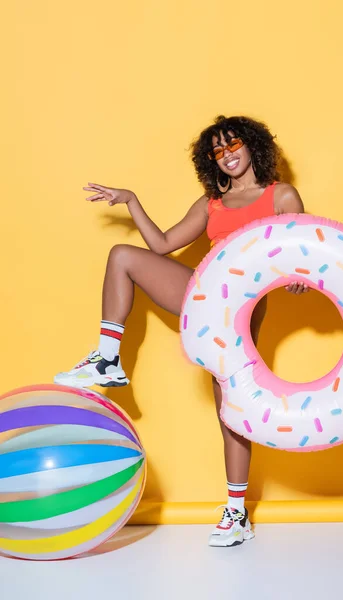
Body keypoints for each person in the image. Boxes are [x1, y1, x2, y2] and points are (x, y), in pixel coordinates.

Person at [55, 115, 308, 547]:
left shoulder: (281, 195)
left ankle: (235, 512)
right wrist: (131, 199)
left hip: (242, 308)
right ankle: (107, 358)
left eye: (234, 145)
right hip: (204, 295)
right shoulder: (210, 202)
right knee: (123, 255)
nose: (227, 155)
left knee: (231, 414)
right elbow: (162, 245)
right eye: (218, 151)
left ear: (253, 147)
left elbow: (300, 252)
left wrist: (298, 275)